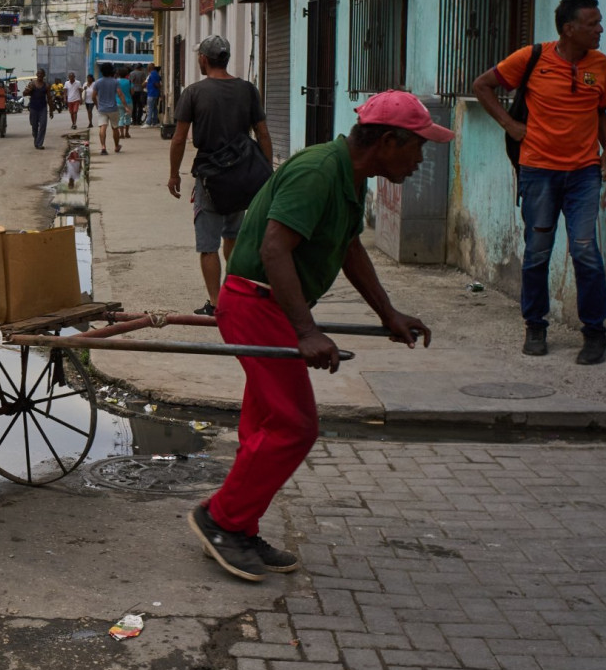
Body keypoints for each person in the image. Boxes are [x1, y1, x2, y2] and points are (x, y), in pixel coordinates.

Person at [187, 90, 449, 581]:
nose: (420, 160)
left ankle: (238, 526)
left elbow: (348, 248)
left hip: (271, 305)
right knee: (295, 426)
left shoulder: (349, 176)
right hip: (255, 303)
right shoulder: (319, 171)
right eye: (418, 147)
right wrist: (306, 331)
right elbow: (274, 248)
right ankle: (220, 520)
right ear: (388, 142)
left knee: (264, 426)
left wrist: (388, 313)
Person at [470, 0, 606, 365]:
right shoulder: (532, 57)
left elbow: (599, 111)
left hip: (584, 172)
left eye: (599, 22)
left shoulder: (599, 63)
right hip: (538, 171)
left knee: (585, 250)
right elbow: (482, 85)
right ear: (569, 29)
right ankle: (535, 326)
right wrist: (509, 124)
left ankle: (595, 333)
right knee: (537, 252)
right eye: (593, 24)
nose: (600, 29)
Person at [168, 36, 274, 316]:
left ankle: (216, 304)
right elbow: (263, 133)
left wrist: (174, 174)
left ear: (204, 59)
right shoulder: (248, 90)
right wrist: (267, 174)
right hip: (242, 176)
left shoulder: (193, 92)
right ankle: (233, 294)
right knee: (233, 237)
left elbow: (178, 138)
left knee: (208, 245)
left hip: (210, 178)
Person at [93, 63, 130, 155]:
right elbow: (120, 94)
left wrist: (97, 105)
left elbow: (93, 96)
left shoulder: (98, 82)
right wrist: (126, 106)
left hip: (102, 109)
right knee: (115, 128)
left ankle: (103, 147)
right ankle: (116, 146)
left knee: (103, 127)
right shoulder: (115, 82)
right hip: (113, 108)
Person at [24, 68, 53, 149]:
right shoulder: (32, 84)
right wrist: (28, 90)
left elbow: (49, 98)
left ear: (44, 75)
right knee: (34, 126)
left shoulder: (46, 85)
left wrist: (51, 110)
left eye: (41, 74)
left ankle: (39, 143)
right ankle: (36, 138)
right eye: (38, 73)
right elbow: (24, 94)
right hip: (33, 107)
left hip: (43, 108)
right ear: (36, 74)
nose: (40, 75)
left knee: (43, 125)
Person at [128, 63, 147, 130]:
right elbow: (144, 82)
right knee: (140, 106)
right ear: (140, 67)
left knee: (133, 106)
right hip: (140, 91)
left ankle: (134, 120)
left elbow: (130, 82)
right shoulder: (142, 73)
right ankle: (138, 121)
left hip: (133, 91)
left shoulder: (131, 73)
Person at [145, 63, 162, 128]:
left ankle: (148, 122)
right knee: (154, 108)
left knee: (150, 108)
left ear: (149, 68)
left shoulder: (153, 74)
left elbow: (156, 84)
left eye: (148, 67)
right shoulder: (155, 74)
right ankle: (155, 122)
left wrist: (159, 88)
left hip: (152, 93)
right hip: (154, 93)